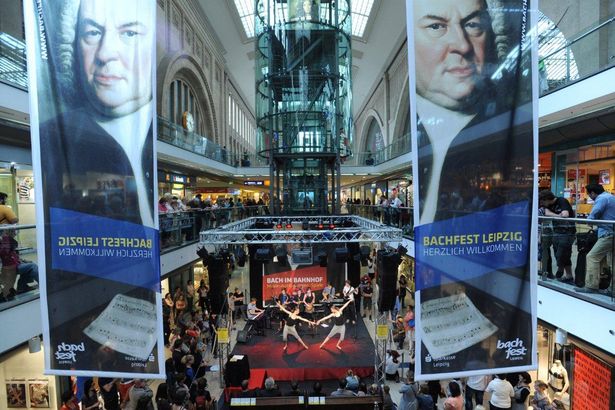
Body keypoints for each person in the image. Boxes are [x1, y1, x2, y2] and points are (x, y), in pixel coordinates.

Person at [37, 0, 159, 372]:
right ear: (73, 44)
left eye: (129, 33)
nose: (106, 53)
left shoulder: (157, 138)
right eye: (92, 32)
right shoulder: (53, 142)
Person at [412, 0, 532, 224]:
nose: (463, 45)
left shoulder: (514, 124)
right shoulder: (415, 130)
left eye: (473, 24)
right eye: (436, 27)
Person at [576, 184, 615, 293]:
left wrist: (589, 221)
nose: (589, 196)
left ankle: (591, 286)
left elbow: (594, 214)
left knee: (592, 257)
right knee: (613, 261)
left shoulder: (601, 198)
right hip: (612, 231)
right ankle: (613, 290)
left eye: (589, 194)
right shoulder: (611, 197)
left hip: (608, 233)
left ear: (593, 192)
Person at [539, 190, 576, 282]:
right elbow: (547, 213)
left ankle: (560, 269)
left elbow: (565, 214)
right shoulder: (548, 205)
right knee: (560, 254)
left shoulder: (561, 201)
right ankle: (569, 276)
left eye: (542, 201)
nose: (541, 203)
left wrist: (559, 216)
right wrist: (557, 215)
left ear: (547, 199)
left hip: (567, 232)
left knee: (561, 254)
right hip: (556, 232)